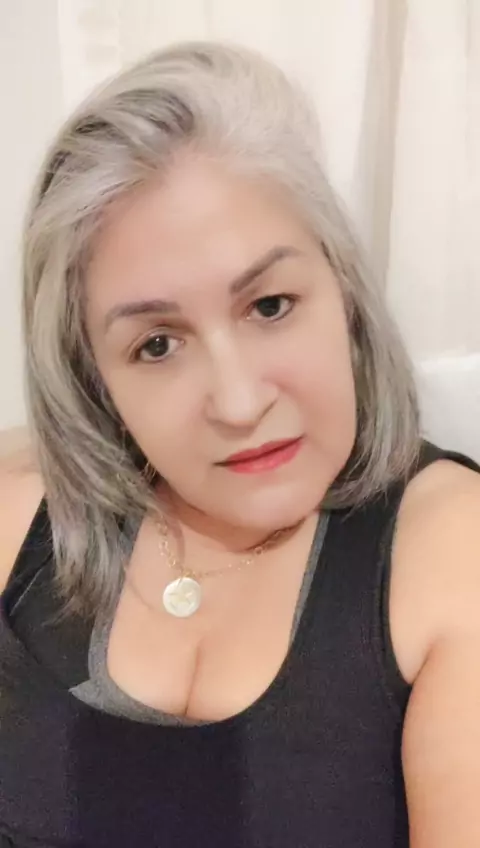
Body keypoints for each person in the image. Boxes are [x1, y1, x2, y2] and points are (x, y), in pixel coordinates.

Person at [0, 40, 479, 848]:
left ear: (344, 292)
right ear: (94, 378)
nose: (239, 402)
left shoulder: (450, 555)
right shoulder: (22, 515)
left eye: (270, 306)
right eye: (157, 345)